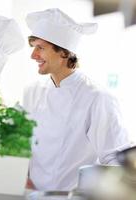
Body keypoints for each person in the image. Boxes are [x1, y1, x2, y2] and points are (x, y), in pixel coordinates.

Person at [23, 8, 131, 190]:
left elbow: (116, 160)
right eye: (33, 47)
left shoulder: (97, 98)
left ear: (63, 52)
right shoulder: (32, 92)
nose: (33, 55)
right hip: (32, 196)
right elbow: (23, 148)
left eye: (40, 48)